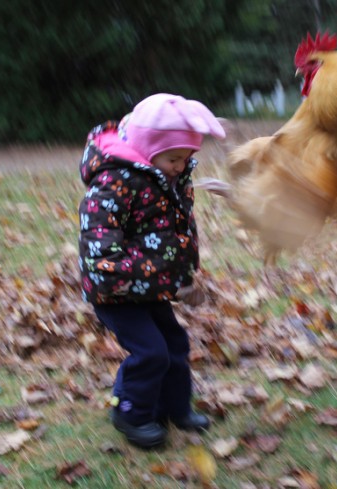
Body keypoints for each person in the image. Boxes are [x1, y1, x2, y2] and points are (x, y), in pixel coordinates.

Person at [77, 93, 226, 448]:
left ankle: (175, 408)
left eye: (187, 158)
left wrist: (185, 278)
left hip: (149, 286)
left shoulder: (167, 179)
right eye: (174, 158)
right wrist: (121, 276)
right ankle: (131, 412)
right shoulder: (114, 182)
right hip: (115, 290)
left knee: (175, 343)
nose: (180, 165)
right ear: (148, 148)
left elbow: (178, 233)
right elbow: (98, 240)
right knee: (150, 351)